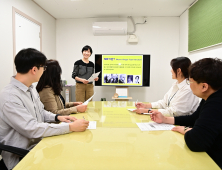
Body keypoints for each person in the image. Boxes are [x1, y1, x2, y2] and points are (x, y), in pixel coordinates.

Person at [0, 48, 89, 170]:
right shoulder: (10, 96)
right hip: (23, 156)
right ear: (34, 69)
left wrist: (57, 117)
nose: (44, 71)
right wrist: (70, 127)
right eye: (44, 68)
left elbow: (41, 111)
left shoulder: (30, 89)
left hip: (39, 146)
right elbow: (31, 128)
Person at [150, 58, 222, 168]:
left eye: (190, 81)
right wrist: (165, 120)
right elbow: (194, 118)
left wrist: (186, 130)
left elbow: (196, 142)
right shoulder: (209, 97)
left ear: (204, 86)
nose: (189, 84)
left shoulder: (216, 103)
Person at [134, 57, 199, 116]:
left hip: (181, 123)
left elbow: (175, 112)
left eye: (172, 68)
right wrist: (145, 105)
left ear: (179, 71)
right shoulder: (176, 84)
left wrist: (147, 111)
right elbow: (164, 103)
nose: (171, 70)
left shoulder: (188, 89)